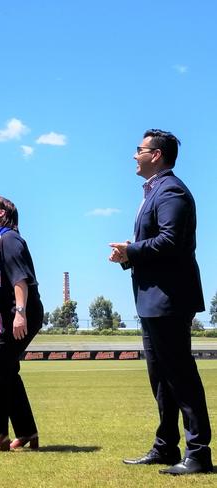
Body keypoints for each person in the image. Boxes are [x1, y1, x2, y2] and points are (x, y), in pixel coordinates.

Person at [110, 129, 212, 475]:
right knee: (162, 378)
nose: (134, 155)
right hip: (153, 299)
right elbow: (158, 243)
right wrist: (128, 256)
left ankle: (198, 454)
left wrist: (132, 250)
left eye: (138, 149)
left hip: (169, 299)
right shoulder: (155, 191)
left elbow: (170, 241)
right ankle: (166, 446)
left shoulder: (171, 191)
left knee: (180, 376)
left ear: (156, 155)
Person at [0, 195, 43, 453]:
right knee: (6, 369)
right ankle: (27, 432)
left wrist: (20, 312)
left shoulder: (10, 239)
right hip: (4, 317)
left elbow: (20, 279)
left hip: (19, 313)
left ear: (1, 214)